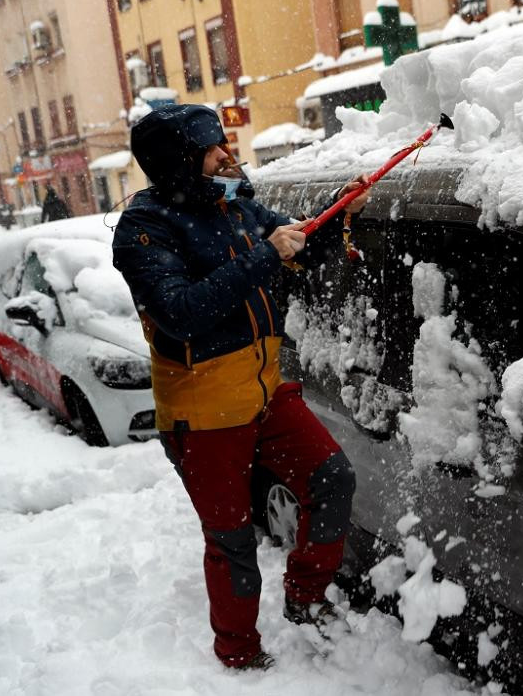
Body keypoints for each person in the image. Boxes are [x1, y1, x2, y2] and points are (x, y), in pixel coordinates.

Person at [112, 104, 365, 671]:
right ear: (180, 162)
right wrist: (262, 255)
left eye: (225, 142)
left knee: (332, 478)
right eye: (212, 148)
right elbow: (179, 311)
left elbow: (297, 246)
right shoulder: (144, 229)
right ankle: (239, 653)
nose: (228, 153)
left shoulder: (236, 204)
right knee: (231, 540)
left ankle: (305, 600)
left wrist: (338, 212)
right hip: (203, 413)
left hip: (264, 390)